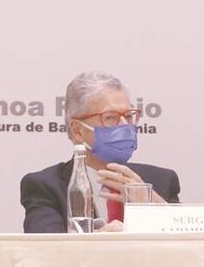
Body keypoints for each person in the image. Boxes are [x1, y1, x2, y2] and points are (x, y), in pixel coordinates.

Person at [20, 71, 180, 233]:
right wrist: (101, 240)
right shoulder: (45, 186)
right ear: (78, 131)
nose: (124, 125)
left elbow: (191, 249)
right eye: (110, 117)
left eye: (129, 116)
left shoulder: (162, 182)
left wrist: (159, 211)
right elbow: (45, 251)